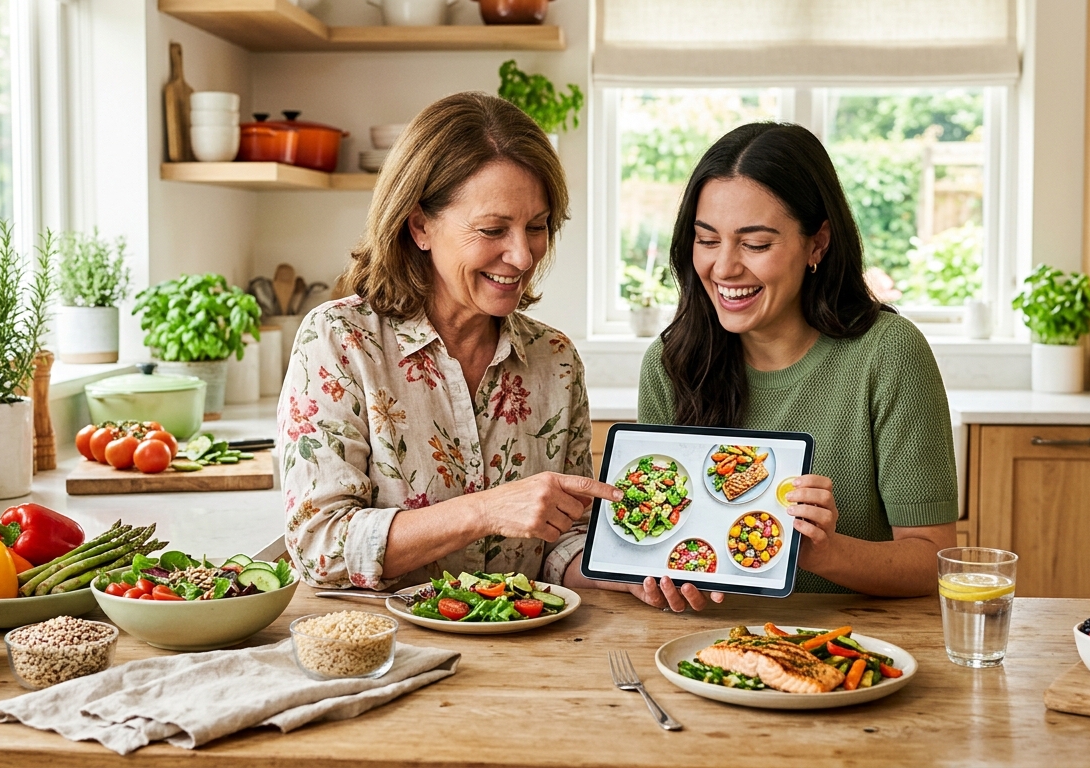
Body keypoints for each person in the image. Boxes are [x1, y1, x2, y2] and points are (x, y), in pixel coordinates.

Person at [278, 92, 622, 591]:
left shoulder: (556, 360)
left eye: (537, 227)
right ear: (420, 225)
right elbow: (319, 546)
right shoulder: (340, 341)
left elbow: (562, 539)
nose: (523, 256)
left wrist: (625, 571)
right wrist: (485, 511)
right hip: (390, 656)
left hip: (530, 653)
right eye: (492, 229)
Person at [627, 122, 958, 607]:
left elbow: (934, 559)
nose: (724, 268)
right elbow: (661, 542)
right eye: (707, 240)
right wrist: (656, 574)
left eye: (756, 244)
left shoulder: (889, 354)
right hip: (706, 639)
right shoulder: (669, 362)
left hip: (851, 645)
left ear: (817, 243)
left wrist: (825, 553)